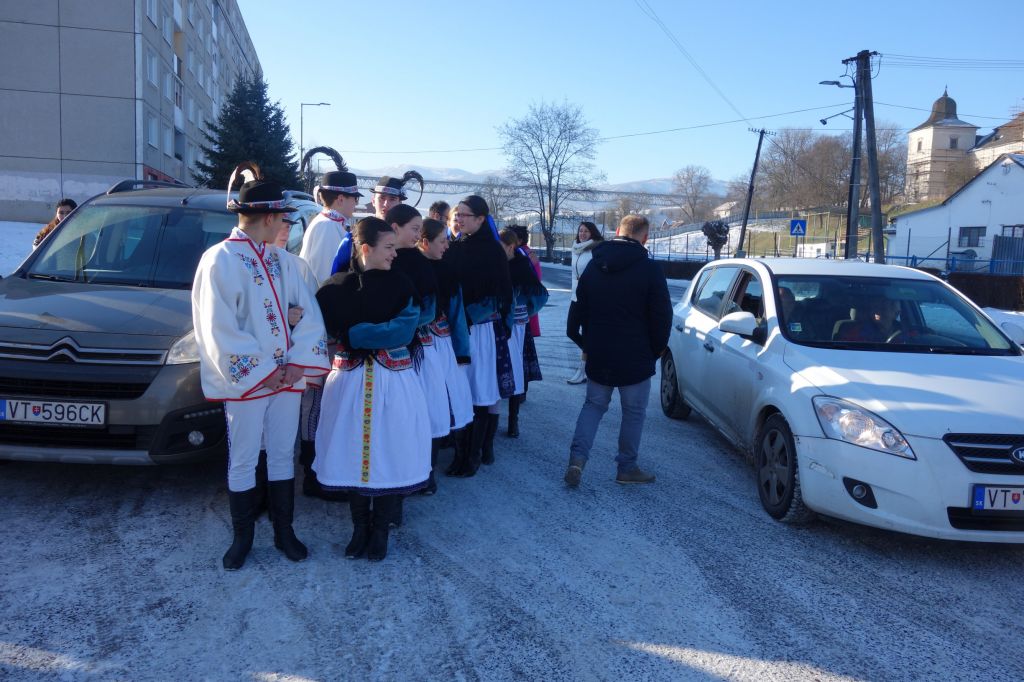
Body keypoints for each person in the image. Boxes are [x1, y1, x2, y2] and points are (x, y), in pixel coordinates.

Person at [191, 162, 331, 570]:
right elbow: (217, 327)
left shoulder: (285, 263)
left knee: (283, 453)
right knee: (244, 456)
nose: (285, 225)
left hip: (286, 377)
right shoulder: (219, 260)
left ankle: (284, 532)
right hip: (249, 382)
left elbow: (309, 314)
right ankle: (243, 538)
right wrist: (264, 370)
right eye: (283, 218)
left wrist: (296, 364)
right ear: (269, 218)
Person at [313, 217, 431, 561]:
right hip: (348, 384)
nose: (395, 254)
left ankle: (381, 530)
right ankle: (359, 527)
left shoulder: (402, 284)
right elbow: (322, 329)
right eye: (389, 247)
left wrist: (352, 334)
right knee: (350, 452)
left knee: (390, 451)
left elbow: (402, 331)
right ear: (366, 249)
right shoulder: (334, 288)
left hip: (392, 382)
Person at [564, 214, 671, 487]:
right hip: (636, 355)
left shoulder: (594, 264)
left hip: (599, 351)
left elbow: (576, 313)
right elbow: (662, 316)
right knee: (633, 412)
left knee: (593, 406)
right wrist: (656, 350)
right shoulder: (650, 269)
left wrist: (586, 344)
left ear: (617, 233)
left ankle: (577, 460)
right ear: (645, 238)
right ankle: (627, 467)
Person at [443, 195, 513, 477]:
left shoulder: (492, 250)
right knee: (460, 390)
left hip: (480, 330)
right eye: (457, 214)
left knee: (479, 392)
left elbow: (499, 294)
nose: (458, 219)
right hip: (458, 328)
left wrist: (468, 315)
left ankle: (473, 455)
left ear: (481, 219)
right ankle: (461, 454)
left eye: (465, 215)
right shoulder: (456, 246)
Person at [418, 218, 474, 478]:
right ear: (424, 242)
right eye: (442, 241)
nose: (447, 246)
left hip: (440, 344)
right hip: (418, 348)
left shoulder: (448, 273)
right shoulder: (410, 268)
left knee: (443, 401)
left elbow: (457, 315)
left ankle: (432, 469)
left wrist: (462, 352)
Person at [498, 228, 548, 442]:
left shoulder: (521, 265)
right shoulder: (496, 264)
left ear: (511, 246)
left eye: (501, 247)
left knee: (515, 369)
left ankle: (513, 420)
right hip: (499, 323)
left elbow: (540, 294)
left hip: (517, 326)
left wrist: (525, 311)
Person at [298, 147, 362, 284]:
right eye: (355, 198)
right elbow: (326, 277)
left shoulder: (330, 223)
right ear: (341, 199)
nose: (356, 204)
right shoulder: (327, 227)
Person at [566, 221, 603, 384]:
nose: (582, 234)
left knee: (587, 333)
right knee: (571, 331)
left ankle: (583, 369)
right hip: (575, 296)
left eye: (586, 231)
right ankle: (594, 356)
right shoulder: (575, 248)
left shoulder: (596, 249)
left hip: (590, 298)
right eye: (580, 231)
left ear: (592, 233)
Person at [512, 225, 543, 340]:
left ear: (519, 240)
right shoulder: (526, 253)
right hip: (527, 307)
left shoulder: (522, 255)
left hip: (522, 307)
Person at [836, 297, 901, 343]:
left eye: (883, 309)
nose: (878, 313)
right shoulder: (855, 333)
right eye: (875, 308)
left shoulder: (904, 333)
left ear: (896, 314)